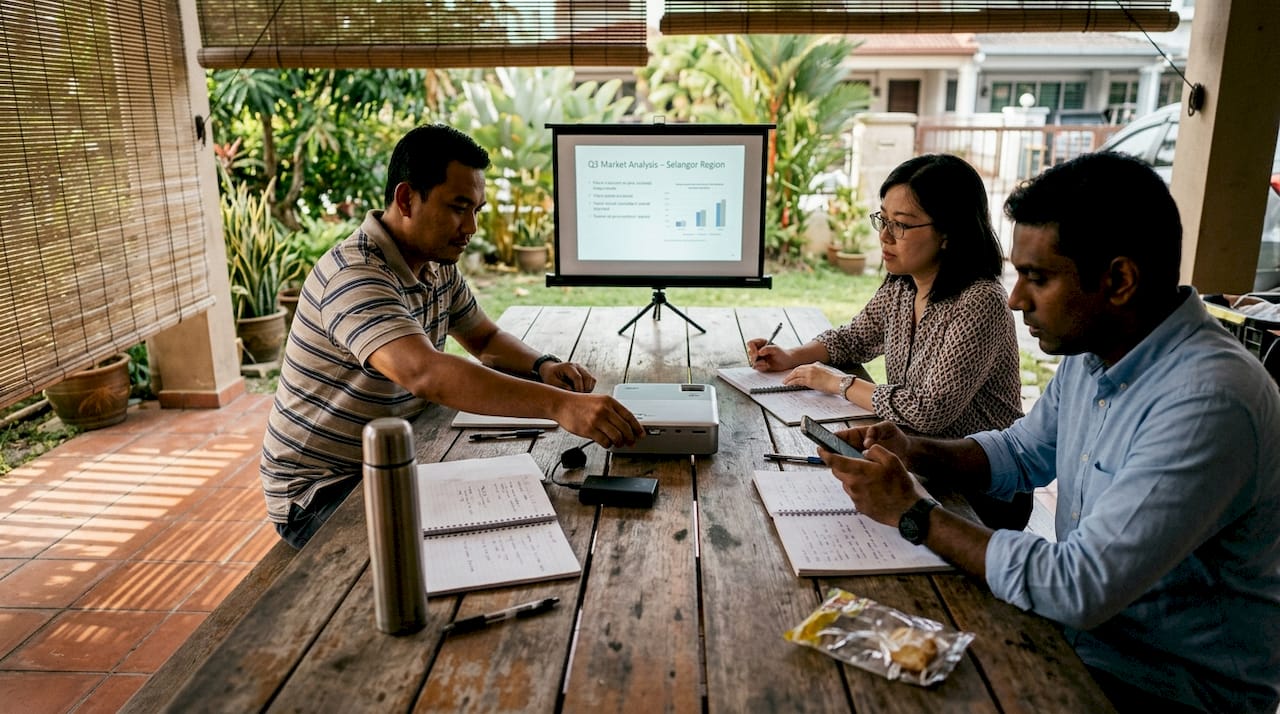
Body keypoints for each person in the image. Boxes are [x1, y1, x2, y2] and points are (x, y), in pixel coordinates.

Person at [820, 152, 1280, 713]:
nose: (1015, 299)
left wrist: (913, 513)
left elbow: (1077, 586)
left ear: (1118, 280)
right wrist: (911, 447)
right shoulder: (1096, 359)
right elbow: (1018, 451)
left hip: (1163, 688)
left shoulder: (1208, 401)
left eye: (1037, 277)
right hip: (1081, 643)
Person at [260, 124, 644, 549]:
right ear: (406, 199)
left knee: (529, 515)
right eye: (459, 207)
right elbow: (425, 373)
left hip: (398, 458)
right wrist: (560, 406)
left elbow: (484, 338)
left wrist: (544, 367)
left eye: (476, 208)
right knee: (481, 545)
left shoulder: (435, 262)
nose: (472, 226)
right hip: (322, 491)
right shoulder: (355, 275)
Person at [749, 154, 1029, 529]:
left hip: (978, 490)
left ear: (948, 232)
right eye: (883, 219)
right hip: (921, 464)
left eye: (901, 225)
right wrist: (791, 356)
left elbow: (929, 412)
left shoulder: (980, 301)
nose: (884, 235)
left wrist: (839, 383)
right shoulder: (903, 285)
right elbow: (854, 339)